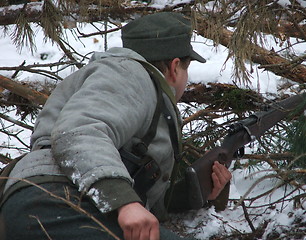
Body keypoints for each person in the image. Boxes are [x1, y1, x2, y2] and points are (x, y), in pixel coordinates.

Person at [0, 12, 232, 240]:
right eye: (186, 69)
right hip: (54, 201)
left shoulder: (115, 80)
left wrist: (191, 195)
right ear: (174, 67)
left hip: (42, 201)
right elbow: (79, 132)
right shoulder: (129, 72)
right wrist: (124, 201)